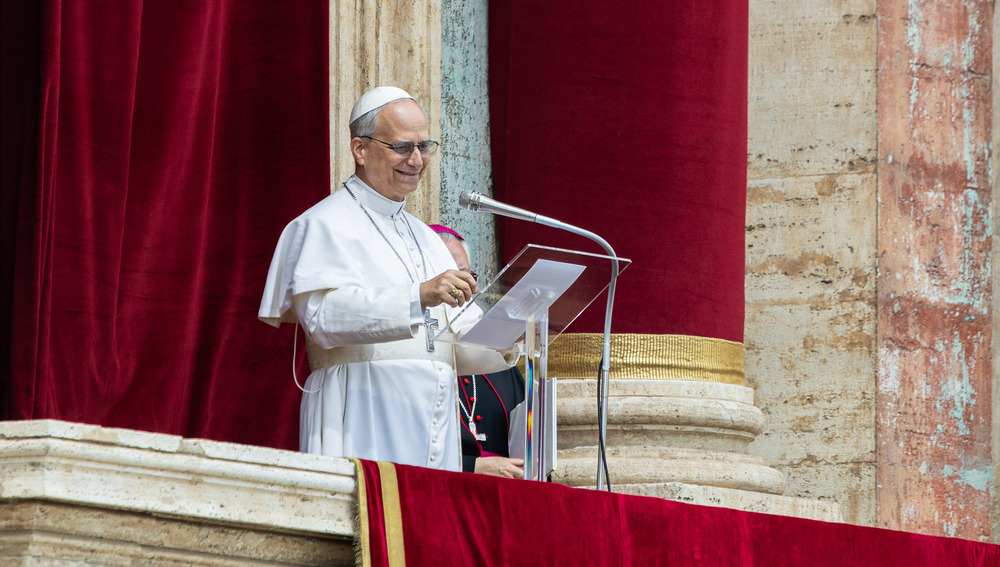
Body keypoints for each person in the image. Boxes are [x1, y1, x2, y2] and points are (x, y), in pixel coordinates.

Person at [259, 86, 512, 471]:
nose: (417, 160)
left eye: (424, 146)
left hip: (433, 429)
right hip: (361, 413)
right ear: (360, 149)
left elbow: (458, 345)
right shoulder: (322, 225)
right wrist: (419, 295)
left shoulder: (427, 239)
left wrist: (514, 335)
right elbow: (324, 320)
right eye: (402, 147)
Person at [430, 224, 526, 479]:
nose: (459, 287)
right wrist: (472, 467)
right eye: (445, 277)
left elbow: (524, 433)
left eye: (464, 274)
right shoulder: (416, 360)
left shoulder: (499, 360)